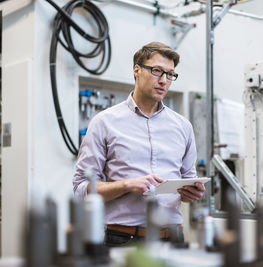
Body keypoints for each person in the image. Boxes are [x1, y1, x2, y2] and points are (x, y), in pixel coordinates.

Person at [73, 41, 205, 247]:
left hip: (173, 238)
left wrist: (192, 193)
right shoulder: (105, 122)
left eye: (170, 74)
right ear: (137, 70)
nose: (164, 80)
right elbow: (81, 188)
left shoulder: (183, 126)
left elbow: (188, 181)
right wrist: (126, 185)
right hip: (124, 238)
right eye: (156, 71)